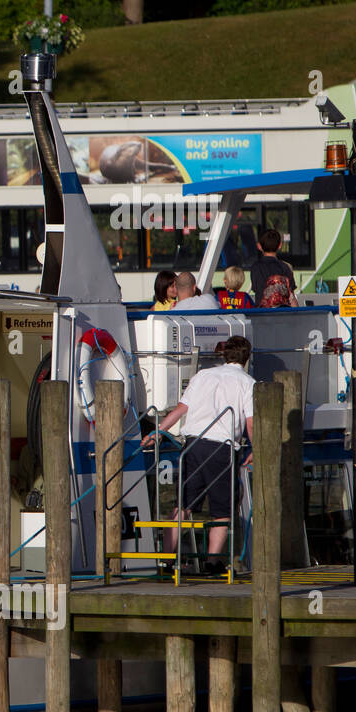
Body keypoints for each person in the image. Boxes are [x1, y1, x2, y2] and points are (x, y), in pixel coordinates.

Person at [140, 336, 255, 573]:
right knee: (222, 509)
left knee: (183, 505)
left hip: (192, 445)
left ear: (224, 354)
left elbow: (181, 409)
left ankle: (167, 560)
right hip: (220, 448)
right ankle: (212, 562)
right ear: (247, 358)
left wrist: (158, 432)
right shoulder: (248, 383)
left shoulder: (202, 375)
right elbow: (251, 423)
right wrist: (256, 450)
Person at [249, 228, 298, 308]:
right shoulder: (285, 267)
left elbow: (256, 289)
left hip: (262, 312)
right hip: (283, 311)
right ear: (280, 245)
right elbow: (291, 295)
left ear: (259, 246)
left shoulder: (256, 267)